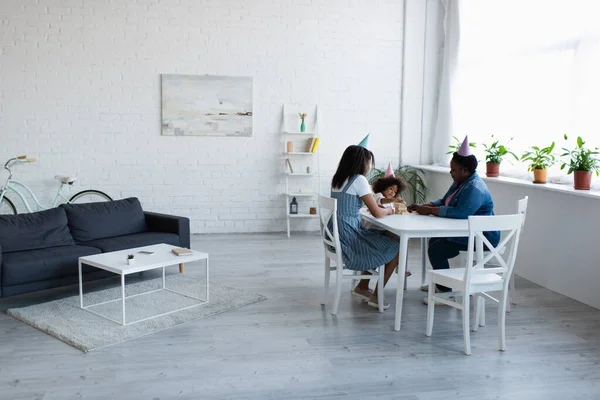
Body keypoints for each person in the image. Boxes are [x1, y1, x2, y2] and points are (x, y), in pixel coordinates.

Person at [407, 136, 500, 295]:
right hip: (467, 232)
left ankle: (445, 291)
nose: (451, 173)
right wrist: (427, 205)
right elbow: (445, 201)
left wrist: (429, 211)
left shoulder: (474, 188)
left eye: (453, 170)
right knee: (435, 241)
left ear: (465, 170)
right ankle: (443, 283)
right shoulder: (460, 181)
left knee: (437, 249)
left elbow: (461, 213)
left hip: (483, 238)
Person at [331, 145, 402, 310]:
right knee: (396, 245)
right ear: (362, 163)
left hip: (339, 234)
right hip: (350, 236)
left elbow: (369, 203)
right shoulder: (359, 180)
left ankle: (362, 286)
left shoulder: (338, 179)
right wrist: (391, 209)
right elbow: (377, 212)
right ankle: (377, 296)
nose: (370, 166)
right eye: (369, 162)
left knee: (380, 236)